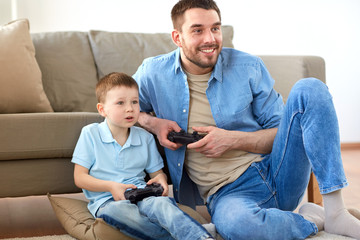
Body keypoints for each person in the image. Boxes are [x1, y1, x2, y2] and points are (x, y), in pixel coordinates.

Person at [132, 0, 360, 239]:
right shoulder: (153, 73)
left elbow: (281, 132)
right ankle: (313, 219)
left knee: (311, 88)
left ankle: (335, 211)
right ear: (177, 37)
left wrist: (231, 140)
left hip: (276, 172)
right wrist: (154, 123)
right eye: (198, 30)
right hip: (227, 194)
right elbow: (116, 104)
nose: (210, 39)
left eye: (215, 28)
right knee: (238, 225)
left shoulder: (248, 66)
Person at [71, 72, 215, 240]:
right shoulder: (91, 133)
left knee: (163, 204)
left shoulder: (144, 137)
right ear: (102, 110)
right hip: (107, 201)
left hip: (142, 194)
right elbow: (80, 178)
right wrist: (111, 186)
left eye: (134, 102)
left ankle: (200, 237)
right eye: (120, 103)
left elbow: (157, 173)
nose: (130, 108)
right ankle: (191, 234)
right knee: (119, 212)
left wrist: (161, 180)